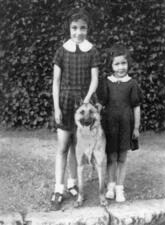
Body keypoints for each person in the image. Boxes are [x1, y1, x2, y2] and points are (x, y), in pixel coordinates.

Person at [51, 8, 100, 210]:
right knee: (63, 146)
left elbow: (95, 79)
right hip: (64, 101)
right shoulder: (62, 51)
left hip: (85, 106)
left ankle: (72, 183)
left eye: (82, 28)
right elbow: (56, 81)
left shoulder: (92, 51)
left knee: (76, 146)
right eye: (74, 28)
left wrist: (86, 101)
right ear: (69, 29)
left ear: (87, 29)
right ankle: (58, 188)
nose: (78, 32)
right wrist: (56, 107)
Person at [98, 44, 141, 202]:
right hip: (109, 126)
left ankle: (120, 188)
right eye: (117, 64)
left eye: (123, 63)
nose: (121, 67)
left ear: (128, 63)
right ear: (111, 65)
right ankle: (110, 186)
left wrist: (136, 127)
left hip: (126, 126)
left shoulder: (132, 83)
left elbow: (136, 106)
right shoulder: (107, 82)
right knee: (111, 158)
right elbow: (101, 104)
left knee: (122, 157)